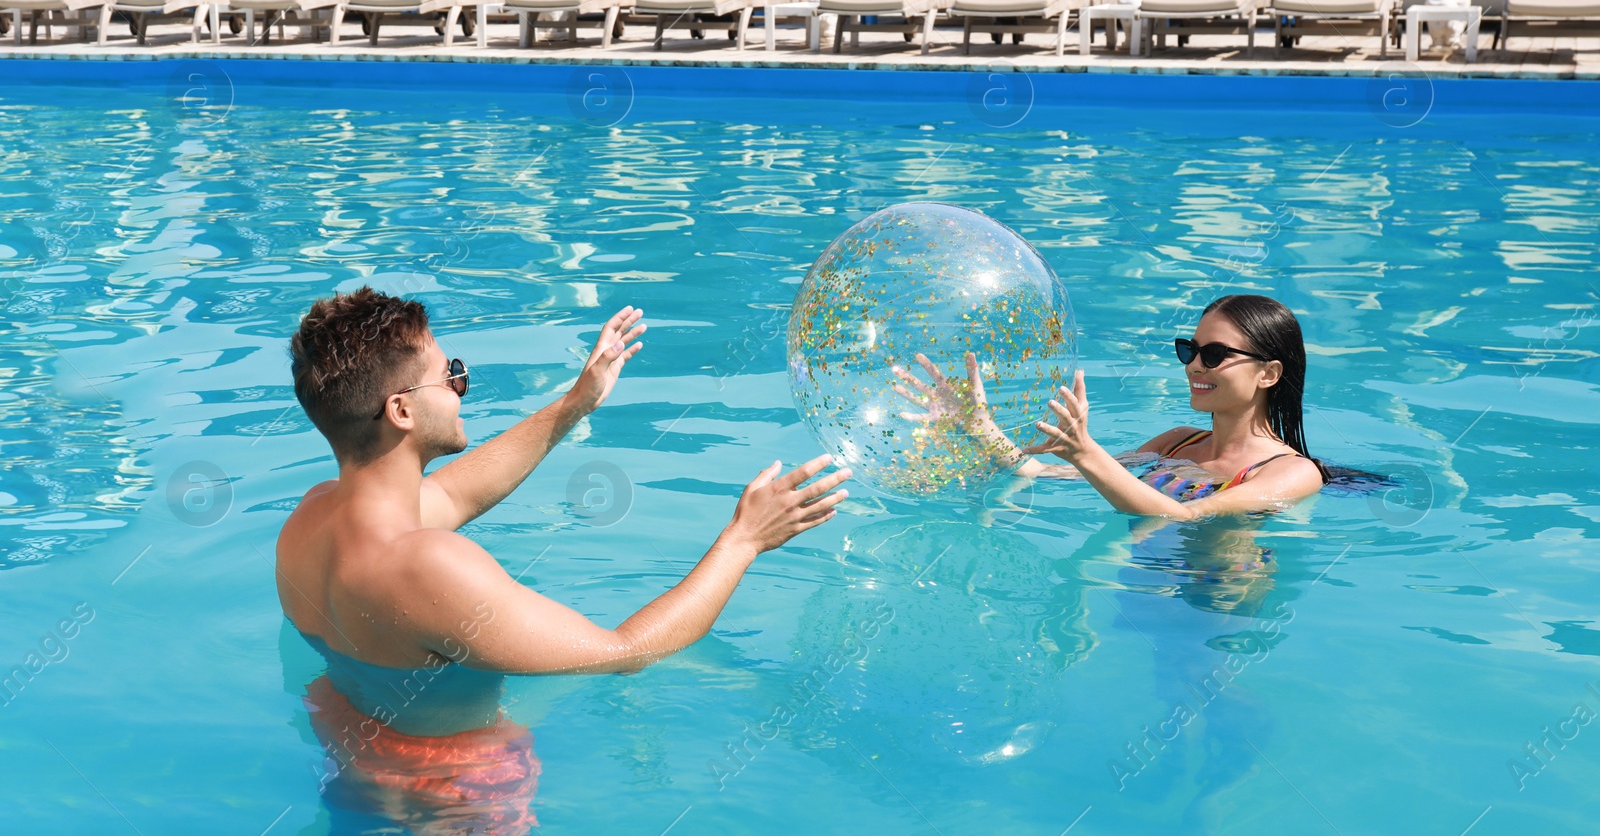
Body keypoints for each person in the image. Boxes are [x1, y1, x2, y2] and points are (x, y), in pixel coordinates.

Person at [277, 286, 850, 675]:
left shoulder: (310, 519)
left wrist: (575, 405)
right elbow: (624, 653)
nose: (460, 385)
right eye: (451, 375)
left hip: (356, 774)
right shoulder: (430, 567)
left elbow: (454, 492)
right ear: (401, 411)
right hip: (458, 801)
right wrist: (744, 540)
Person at [895, 294, 1326, 520]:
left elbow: (1187, 516)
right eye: (1189, 350)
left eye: (1214, 354)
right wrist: (980, 426)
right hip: (1141, 577)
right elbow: (1042, 473)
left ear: (1268, 374)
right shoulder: (1177, 444)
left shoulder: (1291, 472)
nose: (1194, 364)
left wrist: (1087, 451)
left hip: (1223, 597)